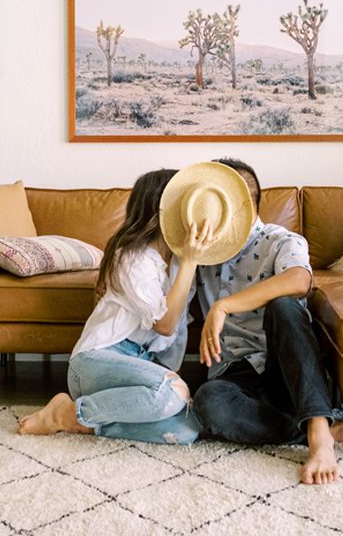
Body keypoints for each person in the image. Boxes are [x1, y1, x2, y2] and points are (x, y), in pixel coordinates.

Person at [193, 158, 343, 485]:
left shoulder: (279, 240)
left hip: (288, 368)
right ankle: (311, 429)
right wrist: (186, 256)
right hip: (235, 373)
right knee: (208, 404)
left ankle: (320, 433)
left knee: (283, 306)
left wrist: (224, 306)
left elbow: (298, 280)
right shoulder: (203, 253)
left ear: (247, 205)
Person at [17, 168, 214, 444]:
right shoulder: (132, 257)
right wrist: (191, 262)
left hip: (140, 365)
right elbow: (166, 325)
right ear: (162, 211)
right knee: (171, 393)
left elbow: (175, 336)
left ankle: (79, 422)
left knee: (186, 431)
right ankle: (65, 413)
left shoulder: (180, 262)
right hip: (96, 361)